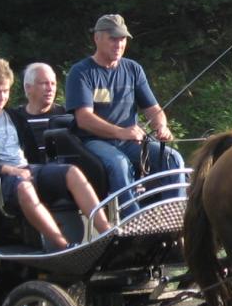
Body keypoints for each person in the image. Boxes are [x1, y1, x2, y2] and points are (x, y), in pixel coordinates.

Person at [0, 57, 112, 251]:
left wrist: (45, 175)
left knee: (71, 172)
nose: (1, 97)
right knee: (24, 187)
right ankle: (64, 246)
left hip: (26, 170)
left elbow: (33, 155)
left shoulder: (14, 117)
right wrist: (7, 169)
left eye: (5, 91)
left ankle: (107, 234)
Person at [65, 13, 184, 211]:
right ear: (97, 38)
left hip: (130, 141)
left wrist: (161, 126)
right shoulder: (81, 72)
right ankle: (133, 219)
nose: (119, 44)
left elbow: (153, 109)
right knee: (119, 164)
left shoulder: (133, 69)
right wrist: (121, 132)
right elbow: (84, 119)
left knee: (173, 158)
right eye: (113, 39)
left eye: (122, 39)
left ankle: (174, 214)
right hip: (94, 141)